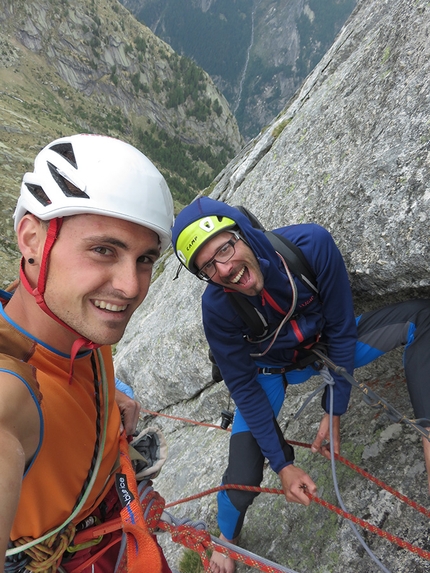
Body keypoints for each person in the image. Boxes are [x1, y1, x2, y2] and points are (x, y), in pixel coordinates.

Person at [171, 196, 430, 573]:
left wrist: (334, 406)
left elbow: (342, 329)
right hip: (272, 373)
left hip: (325, 348)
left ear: (245, 233)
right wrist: (283, 465)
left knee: (422, 319)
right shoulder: (217, 307)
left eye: (226, 247)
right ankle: (226, 540)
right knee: (243, 478)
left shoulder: (310, 246)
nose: (225, 269)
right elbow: (243, 387)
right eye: (208, 266)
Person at [1, 134, 174, 573]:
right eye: (104, 250)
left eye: (145, 259)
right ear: (32, 239)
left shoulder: (73, 328)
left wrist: (106, 399)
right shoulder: (11, 394)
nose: (132, 287)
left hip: (104, 519)